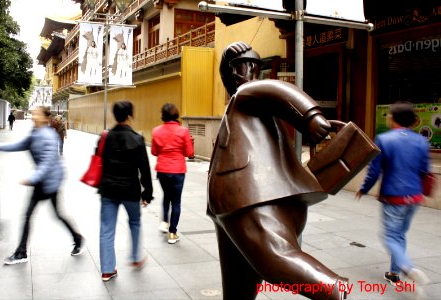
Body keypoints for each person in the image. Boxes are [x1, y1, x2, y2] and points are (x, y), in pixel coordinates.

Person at [208, 41, 348, 300]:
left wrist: (311, 116)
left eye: (251, 67)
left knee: (275, 260)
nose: (246, 73)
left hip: (250, 198)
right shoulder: (243, 105)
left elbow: (278, 90)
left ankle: (336, 291)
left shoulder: (247, 94)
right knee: (240, 278)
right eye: (240, 67)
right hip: (229, 205)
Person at [0, 106, 85, 265]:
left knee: (43, 215)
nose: (33, 116)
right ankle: (76, 239)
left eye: (36, 114)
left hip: (49, 182)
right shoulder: (35, 132)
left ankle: (22, 252)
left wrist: (32, 178)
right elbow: (20, 145)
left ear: (45, 118)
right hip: (43, 181)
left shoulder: (48, 136)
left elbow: (47, 163)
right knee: (46, 214)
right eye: (33, 113)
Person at [356, 101, 431, 288]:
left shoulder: (384, 139)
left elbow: (374, 171)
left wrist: (364, 189)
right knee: (400, 235)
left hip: (393, 197)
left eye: (389, 115)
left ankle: (409, 268)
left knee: (390, 237)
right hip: (414, 197)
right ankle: (394, 273)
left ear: (393, 119)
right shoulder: (421, 140)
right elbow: (424, 170)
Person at [98, 101, 153, 281]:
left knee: (107, 229)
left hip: (109, 190)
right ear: (130, 116)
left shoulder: (105, 137)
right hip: (130, 190)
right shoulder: (137, 139)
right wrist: (147, 194)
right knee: (135, 222)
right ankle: (136, 258)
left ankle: (107, 269)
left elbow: (100, 161)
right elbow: (144, 169)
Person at [151, 103, 194, 244]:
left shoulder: (156, 131)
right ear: (176, 115)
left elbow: (154, 152)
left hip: (162, 170)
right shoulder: (183, 131)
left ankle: (164, 222)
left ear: (163, 115)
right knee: (176, 201)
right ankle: (172, 233)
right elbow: (189, 153)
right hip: (177, 170)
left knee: (166, 197)